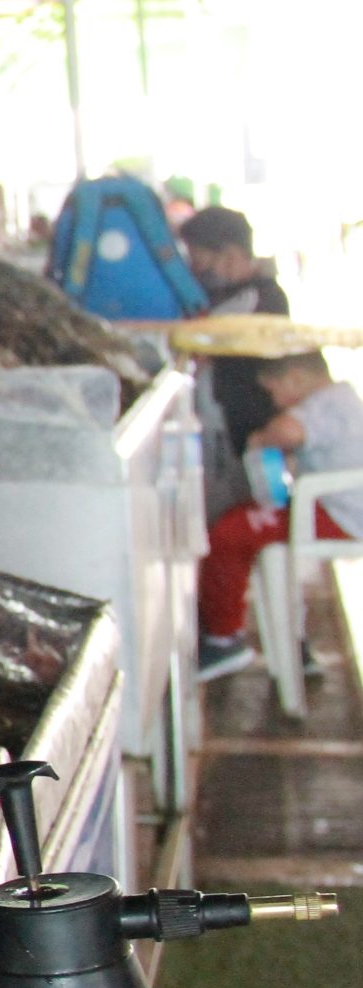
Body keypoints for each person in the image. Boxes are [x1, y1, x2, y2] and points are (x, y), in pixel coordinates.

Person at [196, 351, 361, 680]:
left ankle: (224, 637)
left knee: (230, 531)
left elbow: (288, 432)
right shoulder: (343, 401)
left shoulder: (325, 403)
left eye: (274, 390)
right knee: (251, 523)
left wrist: (261, 438)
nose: (273, 400)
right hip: (336, 507)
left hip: (342, 514)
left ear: (297, 379)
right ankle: (295, 644)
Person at [178, 205, 290, 464]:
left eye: (200, 261)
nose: (196, 271)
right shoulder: (233, 297)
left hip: (242, 436)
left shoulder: (257, 299)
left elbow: (202, 341)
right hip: (226, 433)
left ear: (229, 255)